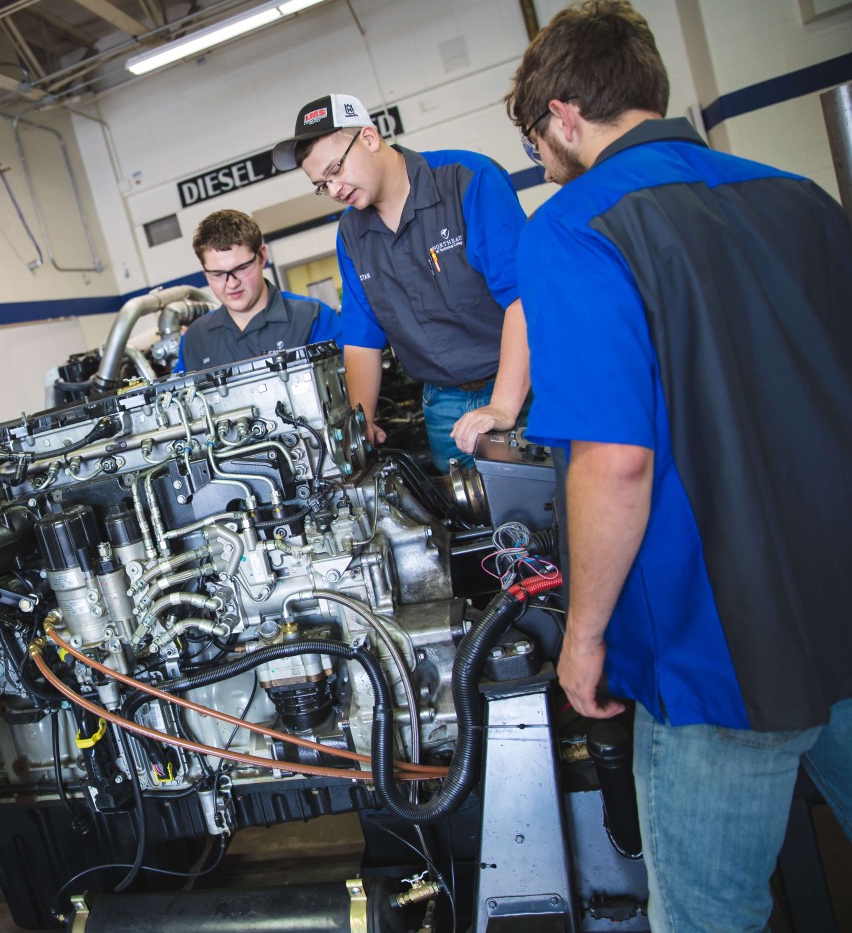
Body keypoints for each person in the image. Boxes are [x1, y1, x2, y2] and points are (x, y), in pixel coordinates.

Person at [506, 2, 852, 930]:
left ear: (566, 115)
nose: (542, 160)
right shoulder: (796, 196)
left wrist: (584, 639)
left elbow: (616, 462)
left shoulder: (573, 229)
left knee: (706, 918)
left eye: (538, 137)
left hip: (720, 652)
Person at [271, 94, 530, 471]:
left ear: (370, 138)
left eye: (336, 168)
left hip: (521, 385)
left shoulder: (467, 180)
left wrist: (503, 406)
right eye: (322, 184)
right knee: (473, 515)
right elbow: (362, 341)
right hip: (445, 407)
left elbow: (523, 298)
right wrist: (364, 421)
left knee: (539, 507)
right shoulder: (351, 235)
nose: (335, 189)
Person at [173, 209, 343, 374]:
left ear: (261, 256)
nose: (232, 283)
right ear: (204, 272)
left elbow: (352, 387)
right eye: (218, 274)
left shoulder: (313, 318)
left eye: (241, 268)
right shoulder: (195, 339)